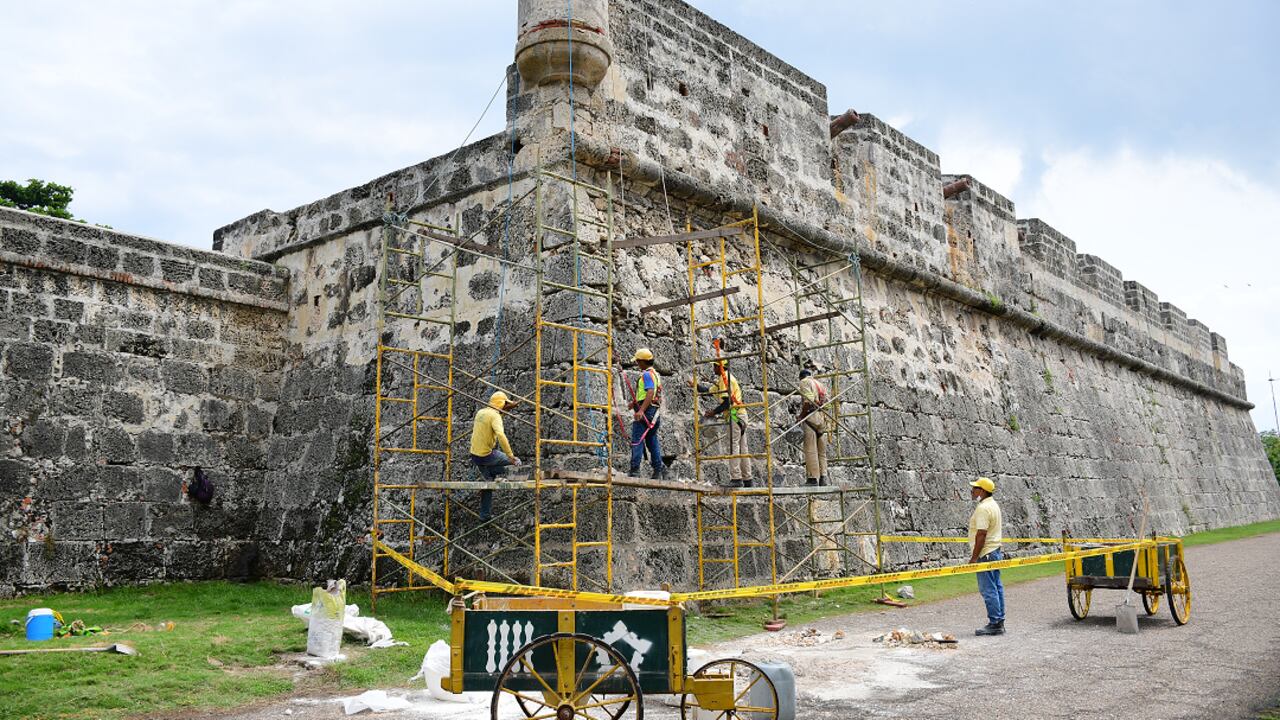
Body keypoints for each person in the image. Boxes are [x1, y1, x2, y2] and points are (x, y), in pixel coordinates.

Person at [694, 359, 753, 487]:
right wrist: (694, 385)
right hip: (740, 415)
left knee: (733, 446)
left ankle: (736, 478)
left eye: (715, 366)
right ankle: (747, 479)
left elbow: (727, 403)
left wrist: (713, 412)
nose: (713, 369)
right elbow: (708, 390)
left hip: (735, 416)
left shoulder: (726, 379)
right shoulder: (724, 379)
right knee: (743, 448)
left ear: (719, 367)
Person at [470, 390, 522, 520]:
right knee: (516, 463)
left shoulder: (480, 412)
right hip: (486, 456)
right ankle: (510, 475)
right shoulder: (495, 416)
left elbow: (498, 412)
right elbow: (500, 435)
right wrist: (511, 456)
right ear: (501, 404)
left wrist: (510, 406)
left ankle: (485, 515)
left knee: (489, 482)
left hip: (475, 457)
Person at [968, 476, 1005, 636]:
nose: (972, 490)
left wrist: (974, 557)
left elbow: (981, 534)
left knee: (988, 589)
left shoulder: (983, 508)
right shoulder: (993, 505)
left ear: (982, 491)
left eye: (975, 488)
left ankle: (995, 622)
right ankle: (999, 621)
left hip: (986, 553)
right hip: (994, 551)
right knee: (996, 587)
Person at [628, 348, 666, 480]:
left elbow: (650, 392)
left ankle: (634, 470)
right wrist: (634, 403)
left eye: (638, 362)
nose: (637, 364)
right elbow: (650, 393)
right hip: (654, 412)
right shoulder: (655, 374)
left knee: (637, 440)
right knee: (651, 440)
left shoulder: (646, 375)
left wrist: (641, 410)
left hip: (647, 411)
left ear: (643, 362)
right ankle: (658, 470)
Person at [797, 368, 829, 486]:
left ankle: (812, 478)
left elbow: (808, 401)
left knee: (810, 449)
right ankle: (823, 477)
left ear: (801, 377)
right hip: (822, 419)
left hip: (811, 417)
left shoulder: (804, 382)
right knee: (822, 452)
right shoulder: (821, 385)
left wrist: (801, 416)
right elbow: (828, 405)